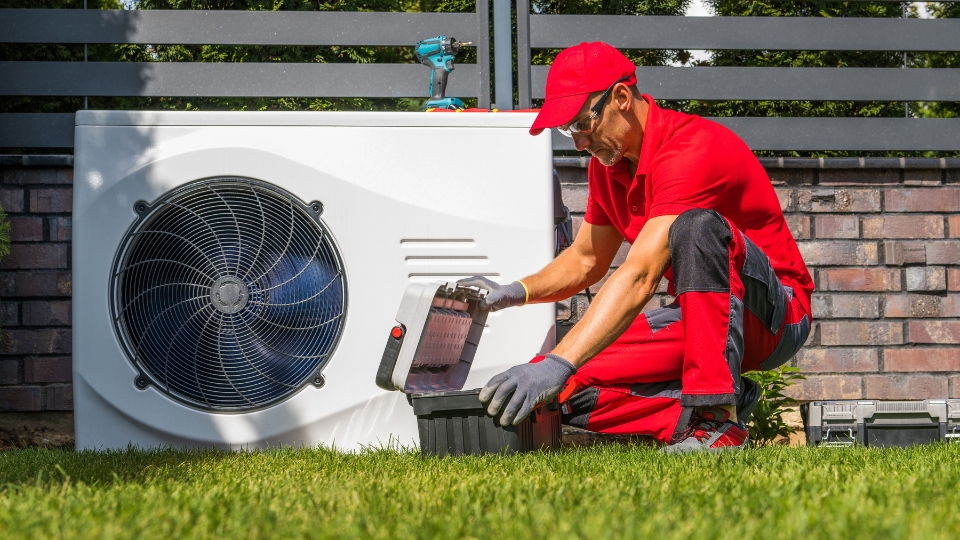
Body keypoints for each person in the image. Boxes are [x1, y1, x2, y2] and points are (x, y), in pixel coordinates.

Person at [459, 42, 812, 453]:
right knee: (561, 389)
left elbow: (641, 273)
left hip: (774, 316)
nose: (578, 143)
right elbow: (586, 259)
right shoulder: (607, 167)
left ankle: (716, 420)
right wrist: (513, 292)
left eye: (582, 125)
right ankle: (710, 408)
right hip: (701, 320)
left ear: (622, 98)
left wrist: (560, 359)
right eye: (567, 131)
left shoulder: (691, 149)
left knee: (696, 227)